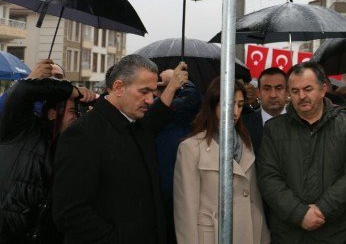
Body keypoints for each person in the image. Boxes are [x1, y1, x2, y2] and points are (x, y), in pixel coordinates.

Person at [52, 55, 188, 244]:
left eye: (153, 91)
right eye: (144, 91)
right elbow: (69, 212)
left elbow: (158, 115)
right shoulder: (83, 134)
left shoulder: (138, 124)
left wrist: (173, 85)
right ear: (118, 88)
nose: (150, 100)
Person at [256, 61, 346, 243]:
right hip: (291, 233)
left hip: (339, 233)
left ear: (323, 89)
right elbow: (268, 177)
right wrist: (299, 213)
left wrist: (321, 210)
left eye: (308, 89)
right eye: (295, 91)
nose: (301, 96)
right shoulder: (274, 129)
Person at [0, 59, 95, 244]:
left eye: (59, 79)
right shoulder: (21, 126)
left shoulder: (71, 145)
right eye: (49, 79)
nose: (53, 83)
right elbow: (21, 93)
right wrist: (33, 79)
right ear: (51, 113)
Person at [174, 78, 270, 244]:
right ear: (213, 104)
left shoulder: (246, 142)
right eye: (229, 103)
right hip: (212, 235)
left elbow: (254, 197)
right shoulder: (190, 148)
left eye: (240, 105)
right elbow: (186, 211)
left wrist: (263, 237)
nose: (235, 111)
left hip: (248, 231)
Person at [154, 68, 203, 244]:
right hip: (169, 191)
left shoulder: (177, 117)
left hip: (177, 189)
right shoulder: (158, 112)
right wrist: (180, 82)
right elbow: (193, 99)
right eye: (162, 89)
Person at [242, 67, 287, 154]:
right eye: (267, 89)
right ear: (258, 92)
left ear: (287, 91)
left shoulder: (301, 123)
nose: (273, 95)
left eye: (278, 88)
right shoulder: (243, 125)